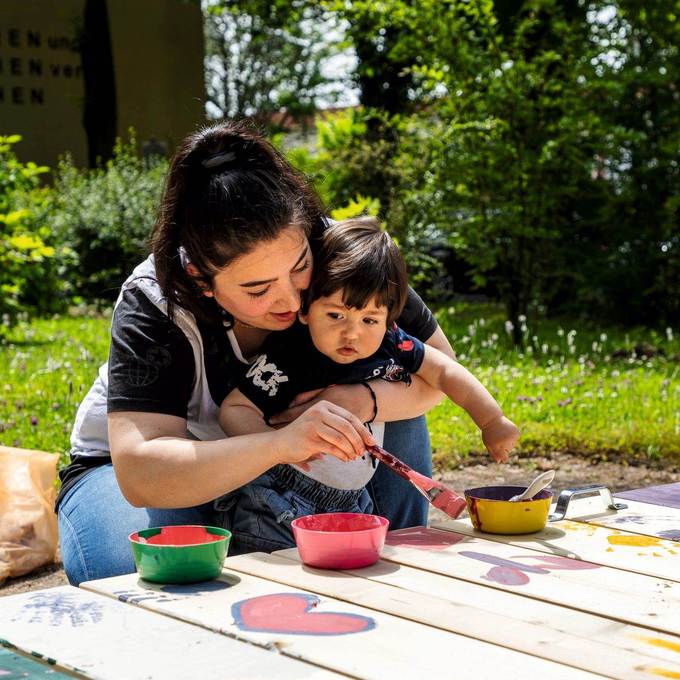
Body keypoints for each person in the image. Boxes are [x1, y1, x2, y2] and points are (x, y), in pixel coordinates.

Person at [55, 122, 457, 586]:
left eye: (300, 267)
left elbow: (440, 372)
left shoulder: (347, 257)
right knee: (135, 577)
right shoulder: (156, 299)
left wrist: (360, 399)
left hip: (297, 468)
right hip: (169, 472)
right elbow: (142, 472)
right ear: (200, 278)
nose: (289, 299)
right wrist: (278, 445)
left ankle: (399, 545)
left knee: (394, 377)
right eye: (257, 289)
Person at [218, 217, 519, 552]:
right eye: (335, 316)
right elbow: (236, 407)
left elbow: (446, 371)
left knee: (352, 586)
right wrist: (276, 445)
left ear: (388, 319)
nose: (352, 333)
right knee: (277, 590)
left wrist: (491, 419)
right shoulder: (290, 357)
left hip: (351, 500)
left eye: (369, 320)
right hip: (279, 500)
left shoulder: (393, 342)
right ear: (304, 310)